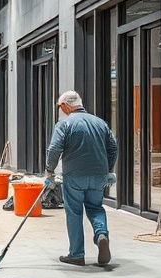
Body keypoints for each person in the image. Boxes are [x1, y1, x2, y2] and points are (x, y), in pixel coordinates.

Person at [45, 90, 118, 267]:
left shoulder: (65, 124)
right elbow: (113, 148)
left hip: (74, 177)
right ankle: (101, 234)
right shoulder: (100, 123)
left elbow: (54, 149)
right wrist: (108, 169)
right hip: (99, 175)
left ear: (65, 106)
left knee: (74, 212)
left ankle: (77, 255)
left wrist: (49, 170)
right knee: (95, 207)